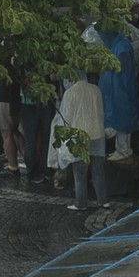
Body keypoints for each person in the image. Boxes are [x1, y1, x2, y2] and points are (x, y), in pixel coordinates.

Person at [60, 71, 109, 212]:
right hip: (97, 133)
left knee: (80, 170)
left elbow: (66, 117)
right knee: (98, 169)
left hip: (79, 135)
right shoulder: (96, 90)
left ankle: (81, 202)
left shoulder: (70, 94)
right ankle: (103, 200)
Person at [96, 28, 139, 160]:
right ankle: (122, 149)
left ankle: (123, 150)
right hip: (119, 91)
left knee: (122, 122)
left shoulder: (120, 47)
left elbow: (121, 71)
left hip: (120, 91)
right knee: (121, 122)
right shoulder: (118, 45)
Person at [0, 59, 22, 175]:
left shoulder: (3, 56)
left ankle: (13, 167)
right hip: (14, 94)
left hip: (4, 95)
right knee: (15, 132)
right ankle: (31, 164)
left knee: (6, 132)